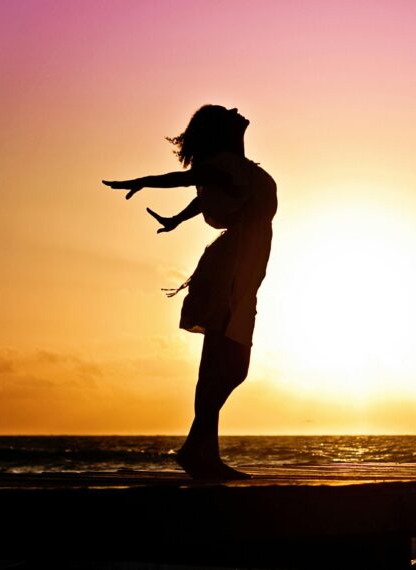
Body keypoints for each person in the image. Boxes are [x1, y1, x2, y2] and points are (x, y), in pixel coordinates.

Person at [103, 105, 277, 480]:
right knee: (227, 365)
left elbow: (205, 196)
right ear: (222, 130)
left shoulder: (238, 169)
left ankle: (199, 452)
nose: (236, 109)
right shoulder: (225, 165)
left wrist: (176, 219)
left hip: (240, 269)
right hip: (230, 270)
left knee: (224, 365)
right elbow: (186, 180)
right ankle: (199, 451)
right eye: (227, 112)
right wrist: (144, 181)